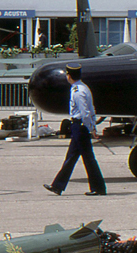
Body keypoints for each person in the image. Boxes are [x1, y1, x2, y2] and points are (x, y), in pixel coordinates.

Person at [44, 63, 106, 196]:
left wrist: (91, 128)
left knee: (88, 159)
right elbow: (92, 109)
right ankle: (57, 186)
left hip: (80, 126)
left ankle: (98, 188)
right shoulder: (83, 88)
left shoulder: (78, 91)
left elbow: (85, 112)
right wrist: (92, 126)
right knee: (71, 157)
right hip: (80, 126)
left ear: (69, 76)